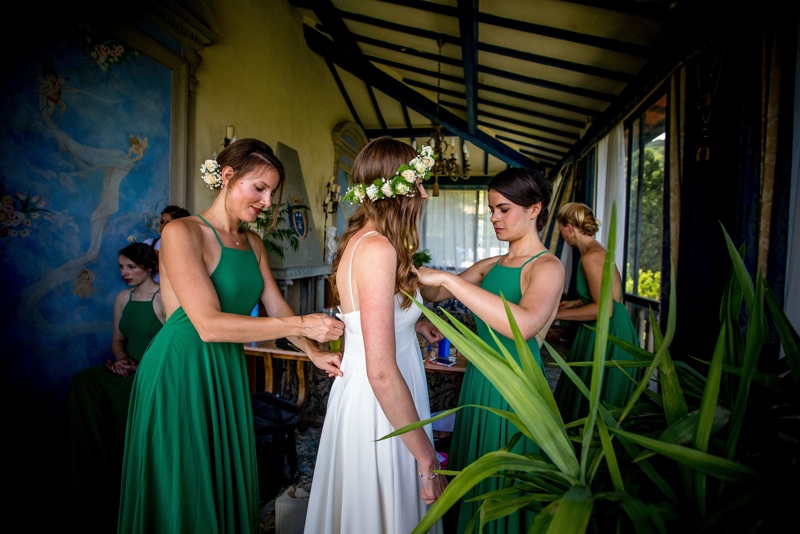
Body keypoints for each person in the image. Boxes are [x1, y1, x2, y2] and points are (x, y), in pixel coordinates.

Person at [117, 138, 344, 534]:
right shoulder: (181, 232)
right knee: (185, 481)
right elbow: (207, 323)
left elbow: (277, 307)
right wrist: (301, 325)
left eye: (273, 192)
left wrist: (312, 352)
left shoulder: (254, 243)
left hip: (225, 368)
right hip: (180, 367)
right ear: (227, 177)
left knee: (221, 475)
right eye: (260, 188)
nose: (268, 201)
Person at [304, 137, 447, 534]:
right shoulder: (378, 249)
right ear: (393, 188)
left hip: (379, 394)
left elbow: (367, 319)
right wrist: (426, 460)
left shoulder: (362, 242)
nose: (423, 195)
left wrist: (412, 322)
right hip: (381, 405)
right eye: (417, 185)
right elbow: (381, 368)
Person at [415, 167, 565, 534]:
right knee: (475, 478)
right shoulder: (492, 265)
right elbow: (433, 293)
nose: (494, 218)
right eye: (491, 209)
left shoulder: (547, 267)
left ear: (534, 209)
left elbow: (525, 324)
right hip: (478, 383)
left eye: (503, 209)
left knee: (504, 484)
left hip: (516, 391)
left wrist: (449, 277)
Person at [67, 242, 165, 533]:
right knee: (83, 382)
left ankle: (133, 473)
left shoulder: (163, 298)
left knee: (131, 395)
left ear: (148, 267)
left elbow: (172, 346)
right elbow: (117, 341)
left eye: (131, 267)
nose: (125, 272)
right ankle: (92, 470)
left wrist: (140, 367)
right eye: (122, 267)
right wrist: (122, 360)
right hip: (127, 366)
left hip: (154, 370)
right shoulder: (123, 297)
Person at [552, 202, 640, 423]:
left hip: (609, 334)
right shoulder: (595, 252)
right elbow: (602, 295)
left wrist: (554, 315)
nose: (561, 235)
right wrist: (575, 303)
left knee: (596, 403)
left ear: (570, 227)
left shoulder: (591, 257)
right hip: (607, 329)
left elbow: (605, 309)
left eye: (561, 229)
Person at [143, 205, 190, 282]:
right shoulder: (149, 244)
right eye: (162, 222)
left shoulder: (187, 248)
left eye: (168, 223)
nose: (163, 226)